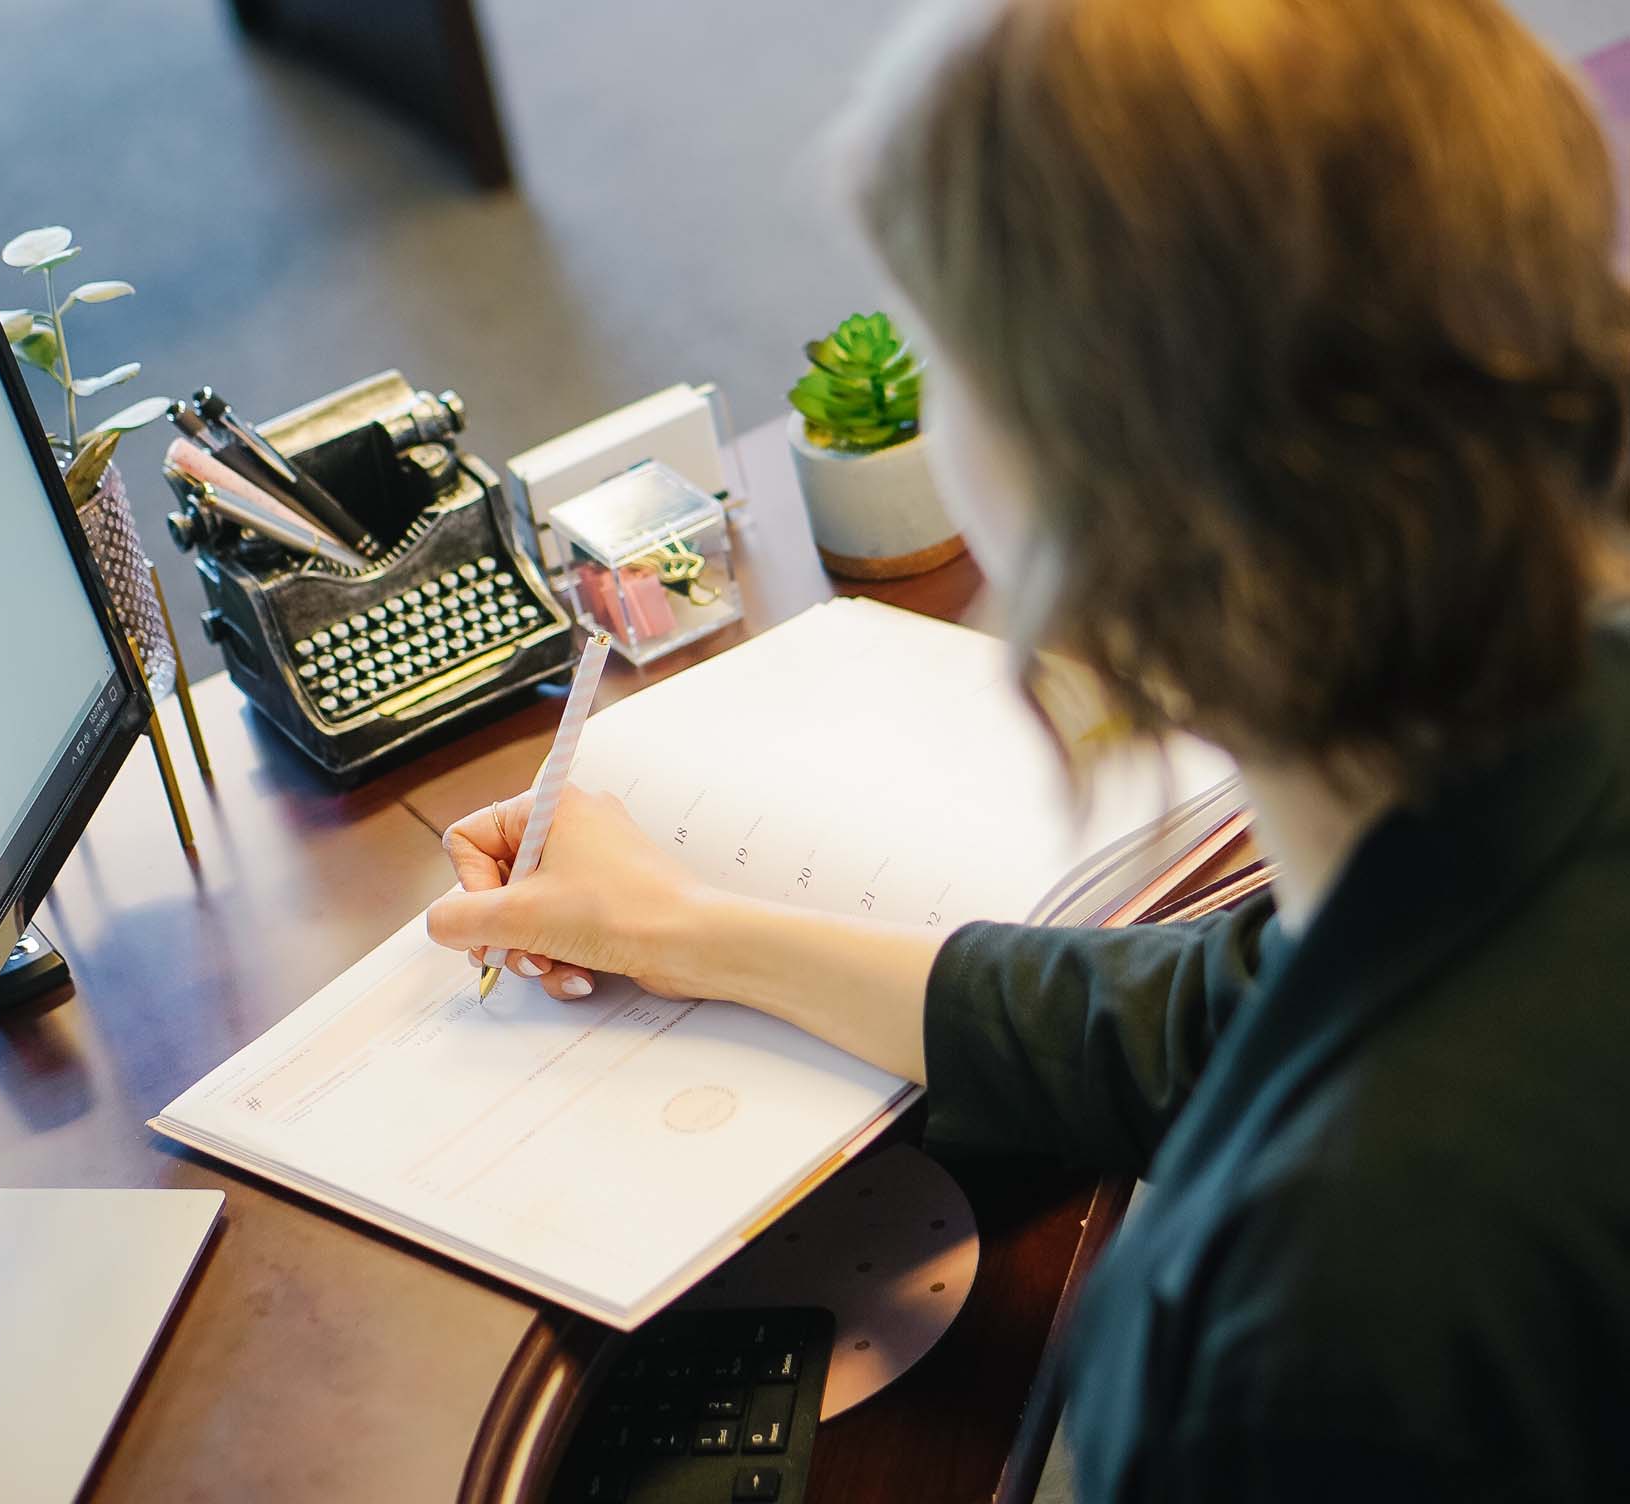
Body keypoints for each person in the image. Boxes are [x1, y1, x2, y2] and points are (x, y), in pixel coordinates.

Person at [427, 0, 1630, 1496]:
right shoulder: (1531, 743)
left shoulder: (1313, 1314)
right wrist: (691, 933)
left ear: (1101, 477)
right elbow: (1221, 1013)